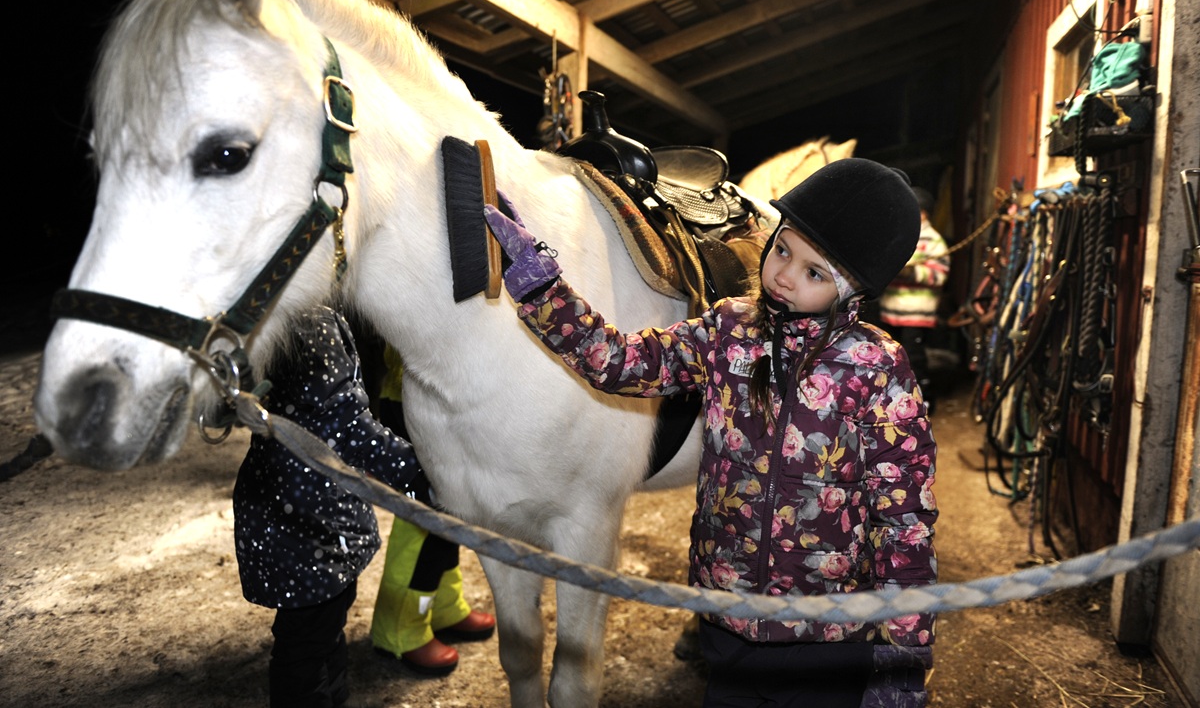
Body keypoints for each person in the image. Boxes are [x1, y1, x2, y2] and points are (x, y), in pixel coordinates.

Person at [484, 158, 938, 707]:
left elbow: (905, 521)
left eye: (814, 272)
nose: (784, 274)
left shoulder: (877, 368)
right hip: (728, 616)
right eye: (783, 249)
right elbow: (619, 361)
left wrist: (901, 661)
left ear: (851, 291)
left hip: (829, 633)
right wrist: (541, 286)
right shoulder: (727, 330)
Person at [232, 306, 430, 708]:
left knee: (320, 632)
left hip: (292, 506)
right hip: (308, 520)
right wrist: (425, 477)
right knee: (305, 643)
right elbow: (348, 426)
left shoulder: (290, 315)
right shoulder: (311, 322)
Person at [369, 347, 496, 676]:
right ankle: (399, 627)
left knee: (451, 510)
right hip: (414, 396)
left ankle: (443, 605)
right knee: (423, 516)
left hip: (450, 397)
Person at [878, 186, 950, 414]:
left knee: (914, 359)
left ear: (923, 214)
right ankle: (894, 401)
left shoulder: (934, 241)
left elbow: (939, 275)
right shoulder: (900, 236)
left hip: (917, 313)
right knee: (890, 357)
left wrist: (912, 273)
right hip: (892, 311)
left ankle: (923, 401)